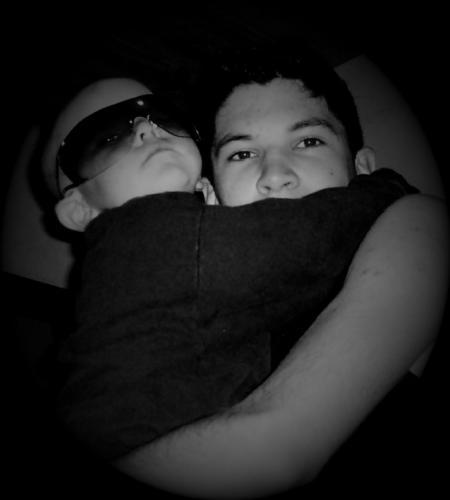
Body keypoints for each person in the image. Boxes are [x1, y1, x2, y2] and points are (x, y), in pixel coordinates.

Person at [48, 65, 424, 472]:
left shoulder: (417, 241)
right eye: (104, 138)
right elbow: (313, 234)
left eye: (309, 141)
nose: (275, 176)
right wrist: (385, 190)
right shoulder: (147, 236)